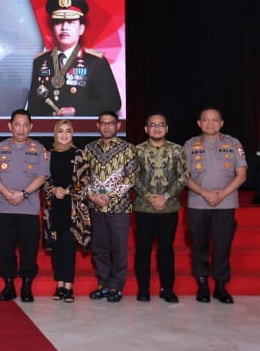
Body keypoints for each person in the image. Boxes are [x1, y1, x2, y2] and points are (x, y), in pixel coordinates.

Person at [184, 107, 247, 304]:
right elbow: (183, 176)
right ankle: (202, 285)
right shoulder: (190, 144)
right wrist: (205, 193)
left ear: (221, 123)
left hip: (225, 204)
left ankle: (220, 286)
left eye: (214, 120)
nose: (210, 123)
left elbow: (242, 175)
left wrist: (222, 194)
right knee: (199, 246)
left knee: (222, 246)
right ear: (199, 123)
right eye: (206, 120)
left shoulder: (233, 143)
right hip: (198, 203)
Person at [26, 0, 121, 117]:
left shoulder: (95, 62)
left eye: (70, 22)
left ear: (81, 29)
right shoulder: (40, 61)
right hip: (47, 128)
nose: (64, 27)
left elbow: (112, 102)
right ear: (52, 28)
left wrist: (77, 111)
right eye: (58, 22)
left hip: (81, 128)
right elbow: (33, 107)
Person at [0, 109, 49, 303]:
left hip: (29, 209)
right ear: (10, 126)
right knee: (5, 249)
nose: (21, 129)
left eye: (25, 125)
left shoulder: (39, 148)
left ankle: (26, 286)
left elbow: (42, 176)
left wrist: (23, 194)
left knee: (29, 250)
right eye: (17, 124)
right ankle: (8, 285)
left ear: (31, 127)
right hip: (5, 208)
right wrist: (7, 193)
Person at [133, 112, 188, 303]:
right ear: (146, 129)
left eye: (161, 125)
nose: (157, 128)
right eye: (153, 125)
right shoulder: (137, 151)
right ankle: (143, 289)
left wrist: (165, 196)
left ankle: (167, 289)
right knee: (143, 249)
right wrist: (149, 196)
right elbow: (133, 177)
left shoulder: (177, 150)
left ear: (166, 128)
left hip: (168, 207)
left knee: (166, 249)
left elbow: (183, 176)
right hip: (143, 207)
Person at [84, 110, 137, 302]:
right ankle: (103, 283)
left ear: (118, 125)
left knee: (118, 247)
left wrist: (109, 196)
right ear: (97, 126)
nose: (107, 126)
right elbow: (84, 177)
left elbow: (131, 178)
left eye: (111, 123)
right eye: (103, 123)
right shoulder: (89, 149)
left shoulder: (128, 149)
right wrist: (93, 196)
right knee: (99, 247)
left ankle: (116, 285)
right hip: (96, 207)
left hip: (119, 208)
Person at [42, 119, 91, 303]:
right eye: (60, 131)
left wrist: (68, 191)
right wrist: (53, 189)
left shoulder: (79, 154)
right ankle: (59, 285)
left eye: (68, 131)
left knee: (69, 248)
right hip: (53, 208)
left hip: (73, 209)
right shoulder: (47, 155)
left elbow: (86, 179)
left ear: (72, 133)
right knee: (56, 248)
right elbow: (42, 179)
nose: (64, 134)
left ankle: (69, 287)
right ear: (55, 133)